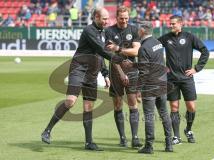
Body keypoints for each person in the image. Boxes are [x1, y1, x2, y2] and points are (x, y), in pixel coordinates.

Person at [41, 7, 127, 151]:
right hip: (78, 69)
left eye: (107, 18)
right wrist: (120, 60)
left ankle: (89, 143)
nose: (107, 21)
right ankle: (47, 130)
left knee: (88, 107)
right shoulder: (89, 30)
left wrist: (105, 74)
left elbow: (100, 55)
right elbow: (102, 50)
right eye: (104, 18)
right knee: (70, 101)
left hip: (92, 73)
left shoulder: (103, 32)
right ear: (96, 18)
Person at [158, 15, 209, 144]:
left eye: (173, 24)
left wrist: (196, 68)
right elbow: (153, 49)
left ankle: (188, 129)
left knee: (191, 106)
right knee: (174, 107)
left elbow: (205, 51)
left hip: (187, 78)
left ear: (181, 24)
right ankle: (176, 136)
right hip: (171, 79)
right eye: (170, 24)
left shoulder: (189, 37)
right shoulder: (165, 38)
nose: (171, 26)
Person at [105, 6, 142, 148]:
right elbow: (111, 55)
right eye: (122, 18)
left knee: (133, 103)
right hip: (115, 71)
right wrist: (120, 72)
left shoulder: (134, 30)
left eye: (127, 18)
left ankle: (135, 137)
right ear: (116, 17)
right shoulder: (109, 31)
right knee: (118, 104)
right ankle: (122, 138)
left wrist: (120, 49)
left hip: (132, 71)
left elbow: (136, 52)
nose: (124, 21)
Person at [136, 21, 173, 154]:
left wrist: (138, 89)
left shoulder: (143, 48)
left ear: (143, 30)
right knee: (164, 114)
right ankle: (169, 144)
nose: (137, 30)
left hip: (150, 86)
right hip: (162, 82)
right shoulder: (157, 43)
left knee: (149, 116)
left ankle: (149, 146)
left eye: (138, 28)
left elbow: (144, 72)